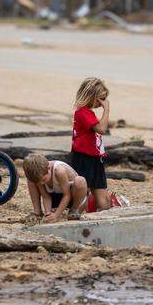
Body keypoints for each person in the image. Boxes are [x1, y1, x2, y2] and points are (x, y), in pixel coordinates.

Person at [71, 78, 111, 211]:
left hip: (95, 157)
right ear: (91, 96)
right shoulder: (83, 112)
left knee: (102, 193)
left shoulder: (88, 113)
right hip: (83, 157)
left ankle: (105, 215)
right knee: (84, 192)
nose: (103, 102)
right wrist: (107, 110)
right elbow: (101, 129)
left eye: (105, 99)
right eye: (101, 99)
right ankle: (80, 214)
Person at [23, 154, 88, 222]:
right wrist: (48, 214)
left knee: (80, 181)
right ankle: (37, 212)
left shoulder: (59, 171)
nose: (42, 183)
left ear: (48, 168)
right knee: (31, 181)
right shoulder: (40, 176)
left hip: (72, 197)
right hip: (56, 196)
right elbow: (45, 196)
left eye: (43, 180)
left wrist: (56, 215)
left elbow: (67, 195)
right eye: (40, 182)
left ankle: (74, 210)